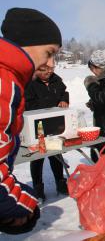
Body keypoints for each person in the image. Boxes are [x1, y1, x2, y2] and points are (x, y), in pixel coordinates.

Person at [0, 7, 61, 234]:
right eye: (49, 53)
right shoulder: (4, 82)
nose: (52, 64)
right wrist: (26, 205)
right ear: (27, 44)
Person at [24, 66, 69, 201]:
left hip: (55, 125)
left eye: (50, 69)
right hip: (37, 126)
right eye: (43, 70)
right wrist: (50, 102)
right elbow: (28, 104)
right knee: (37, 157)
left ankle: (60, 184)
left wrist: (64, 100)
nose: (48, 72)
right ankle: (38, 190)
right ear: (36, 71)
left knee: (56, 154)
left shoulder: (56, 80)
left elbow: (64, 92)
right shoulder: (30, 84)